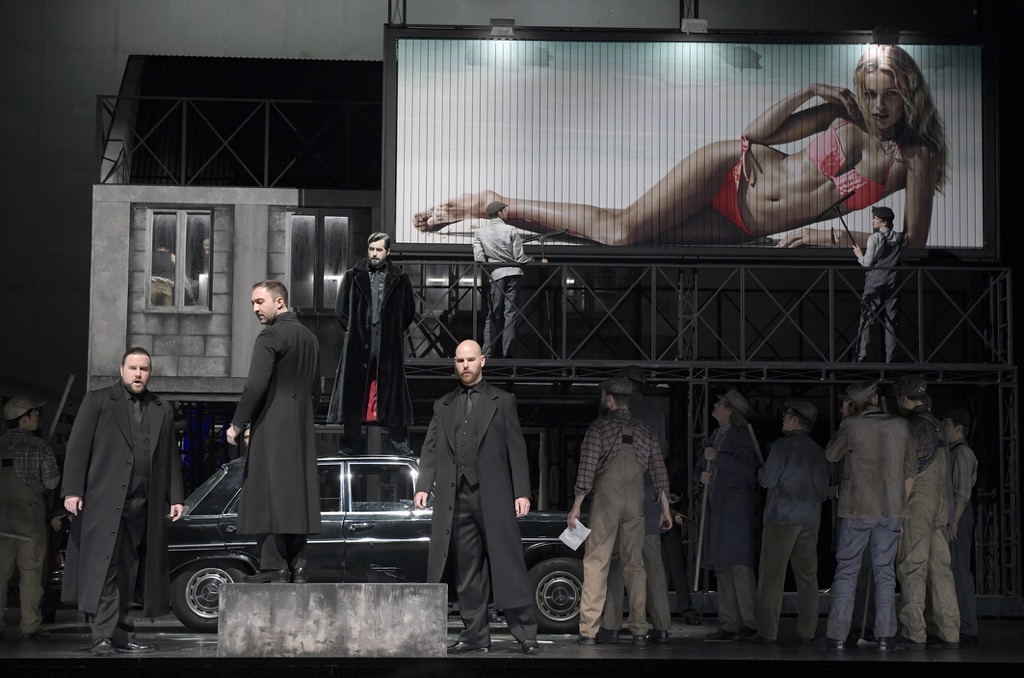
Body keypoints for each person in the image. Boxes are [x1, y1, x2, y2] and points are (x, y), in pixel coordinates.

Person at [414, 45, 946, 249]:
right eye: (870, 94)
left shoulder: (915, 160)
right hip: (733, 171)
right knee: (620, 230)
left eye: (889, 96)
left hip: (745, 226)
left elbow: (914, 246)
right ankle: (496, 203)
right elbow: (755, 134)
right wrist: (811, 90)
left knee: (624, 238)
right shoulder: (843, 114)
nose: (878, 106)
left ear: (908, 95)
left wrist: (823, 236)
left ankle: (504, 214)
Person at [412, 340, 539, 655]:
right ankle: (475, 635)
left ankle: (525, 634)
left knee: (508, 564)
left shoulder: (503, 400)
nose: (465, 365)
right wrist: (423, 485)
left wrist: (522, 491)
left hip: (493, 495)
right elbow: (430, 448)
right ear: (454, 364)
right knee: (467, 569)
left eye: (470, 359)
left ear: (482, 361)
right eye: (459, 361)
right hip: (457, 498)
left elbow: (516, 448)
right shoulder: (443, 405)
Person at [61, 347, 184, 656]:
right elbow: (78, 447)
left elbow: (170, 456)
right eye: (133, 368)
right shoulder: (99, 400)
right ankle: (102, 636)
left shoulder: (160, 408)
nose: (138, 373)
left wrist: (175, 496)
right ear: (121, 370)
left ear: (150, 373)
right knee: (105, 568)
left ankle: (121, 635)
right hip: (103, 502)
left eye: (144, 368)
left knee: (130, 570)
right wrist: (73, 490)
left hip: (143, 504)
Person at [227, 280, 321, 584]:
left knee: (267, 490)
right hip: (301, 426)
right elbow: (318, 391)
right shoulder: (310, 338)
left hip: (272, 423)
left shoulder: (271, 335)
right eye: (252, 303)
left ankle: (273, 567)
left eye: (259, 302)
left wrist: (238, 423)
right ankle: (299, 567)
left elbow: (255, 385)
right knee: (296, 493)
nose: (255, 309)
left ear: (279, 302)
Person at [569, 376, 672, 647]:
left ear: (609, 398)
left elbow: (587, 469)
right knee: (635, 565)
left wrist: (577, 505)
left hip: (607, 501)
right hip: (635, 502)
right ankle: (639, 630)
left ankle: (588, 631)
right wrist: (665, 509)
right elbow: (659, 472)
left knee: (597, 562)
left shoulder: (599, 428)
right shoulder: (646, 431)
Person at [820, 380, 916, 652]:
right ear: (875, 399)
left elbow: (831, 454)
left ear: (852, 404)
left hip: (857, 509)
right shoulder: (900, 425)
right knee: (885, 572)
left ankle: (837, 636)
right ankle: (885, 636)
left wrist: (844, 419)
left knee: (847, 570)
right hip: (891, 509)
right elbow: (911, 469)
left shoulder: (852, 425)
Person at [596, 366, 674, 644]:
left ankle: (612, 626)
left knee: (617, 562)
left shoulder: (609, 416)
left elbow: (600, 458)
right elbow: (661, 455)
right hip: (649, 500)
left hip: (618, 499)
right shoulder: (656, 415)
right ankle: (661, 626)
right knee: (652, 564)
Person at [327, 233, 416, 455]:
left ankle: (398, 444)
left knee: (392, 389)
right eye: (371, 249)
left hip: (387, 341)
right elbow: (341, 309)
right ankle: (351, 445)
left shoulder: (400, 278)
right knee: (355, 389)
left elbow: (408, 312)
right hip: (359, 340)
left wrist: (392, 330)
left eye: (379, 250)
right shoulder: (353, 276)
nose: (374, 254)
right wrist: (355, 329)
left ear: (388, 252)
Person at [749, 399, 829, 645]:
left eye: (786, 414)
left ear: (795, 419)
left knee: (772, 576)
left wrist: (759, 472)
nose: (783, 417)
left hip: (781, 518)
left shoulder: (782, 446)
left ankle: (767, 631)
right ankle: (807, 632)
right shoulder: (819, 451)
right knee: (808, 578)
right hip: (810, 519)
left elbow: (768, 480)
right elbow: (823, 492)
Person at [892, 376, 960, 648]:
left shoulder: (912, 425)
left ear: (904, 399)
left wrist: (899, 508)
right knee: (941, 568)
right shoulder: (937, 425)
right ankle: (950, 632)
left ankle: (914, 632)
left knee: (912, 565)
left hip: (919, 499)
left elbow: (911, 470)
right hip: (940, 501)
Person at [699, 390, 759, 641]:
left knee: (739, 566)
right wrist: (702, 477)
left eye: (719, 403)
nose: (715, 405)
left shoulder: (742, 435)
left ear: (729, 410)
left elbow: (747, 467)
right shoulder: (715, 435)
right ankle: (729, 622)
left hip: (735, 510)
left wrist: (719, 457)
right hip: (718, 509)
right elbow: (703, 466)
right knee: (722, 567)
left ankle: (749, 622)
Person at [0, 396, 60, 640]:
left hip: (1, 517)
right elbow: (51, 482)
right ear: (23, 419)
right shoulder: (39, 446)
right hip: (29, 517)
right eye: (35, 413)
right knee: (31, 574)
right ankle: (30, 626)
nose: (38, 417)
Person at [472, 201, 545, 359]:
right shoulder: (511, 230)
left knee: (493, 314)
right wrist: (534, 260)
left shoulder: (480, 232)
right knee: (510, 314)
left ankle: (487, 352)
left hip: (496, 275)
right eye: (505, 211)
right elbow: (520, 258)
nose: (507, 213)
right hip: (514, 275)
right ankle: (509, 354)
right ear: (499, 213)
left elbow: (479, 258)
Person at [942, 408, 979, 644]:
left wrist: (954, 521)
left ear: (959, 427)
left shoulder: (962, 454)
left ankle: (967, 627)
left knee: (959, 570)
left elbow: (962, 493)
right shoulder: (953, 452)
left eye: (947, 423)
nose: (944, 427)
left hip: (959, 516)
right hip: (955, 515)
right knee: (954, 569)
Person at [852, 205, 904, 362]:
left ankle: (862, 356)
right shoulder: (899, 238)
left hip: (875, 280)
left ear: (884, 222)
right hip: (893, 280)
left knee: (867, 317)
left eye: (875, 218)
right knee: (891, 320)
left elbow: (867, 264)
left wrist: (859, 254)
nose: (873, 220)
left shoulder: (874, 238)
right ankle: (891, 358)